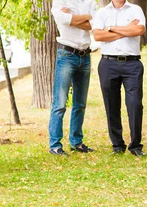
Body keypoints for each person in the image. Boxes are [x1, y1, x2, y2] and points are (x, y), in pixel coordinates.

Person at [92, 0, 146, 156]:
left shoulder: (136, 9)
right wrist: (126, 29)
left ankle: (135, 145)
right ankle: (117, 145)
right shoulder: (102, 12)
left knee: (135, 104)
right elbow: (97, 35)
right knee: (111, 105)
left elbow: (138, 30)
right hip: (108, 63)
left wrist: (111, 29)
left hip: (132, 64)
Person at [48, 0, 97, 156]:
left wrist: (74, 18)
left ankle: (76, 142)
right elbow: (63, 20)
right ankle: (55, 145)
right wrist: (86, 18)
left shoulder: (90, 1)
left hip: (85, 56)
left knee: (80, 103)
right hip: (67, 55)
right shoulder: (60, 1)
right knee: (60, 103)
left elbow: (94, 25)